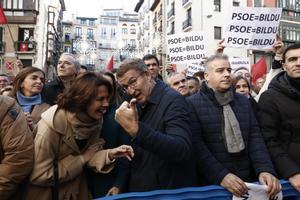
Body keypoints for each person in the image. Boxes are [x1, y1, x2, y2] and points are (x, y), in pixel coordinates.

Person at [25, 72, 134, 200]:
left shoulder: (95, 120)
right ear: (83, 99)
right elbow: (39, 175)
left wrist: (109, 154)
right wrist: (81, 159)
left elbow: (89, 155)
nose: (106, 104)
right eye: (100, 99)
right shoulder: (51, 126)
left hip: (77, 192)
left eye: (107, 98)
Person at [187, 54, 281, 198]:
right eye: (220, 70)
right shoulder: (191, 104)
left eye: (228, 70)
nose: (226, 74)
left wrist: (264, 169)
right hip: (213, 186)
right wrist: (221, 176)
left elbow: (255, 138)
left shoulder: (243, 101)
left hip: (247, 182)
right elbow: (197, 147)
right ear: (207, 76)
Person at [115, 58, 196, 192]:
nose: (130, 90)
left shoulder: (174, 100)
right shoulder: (133, 101)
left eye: (133, 82)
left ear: (147, 75)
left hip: (166, 191)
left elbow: (181, 149)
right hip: (142, 187)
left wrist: (137, 131)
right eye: (124, 87)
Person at [258, 42, 300, 192]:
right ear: (284, 65)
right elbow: (269, 140)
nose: (298, 63)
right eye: (293, 59)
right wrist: (292, 172)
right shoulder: (269, 98)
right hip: (292, 180)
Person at [86, 72, 130, 198]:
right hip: (82, 182)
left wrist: (119, 184)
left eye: (108, 88)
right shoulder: (81, 116)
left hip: (107, 182)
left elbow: (125, 153)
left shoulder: (118, 116)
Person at [0, 95, 34, 200]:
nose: (38, 82)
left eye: (41, 80)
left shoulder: (5, 105)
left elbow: (18, 157)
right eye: (33, 77)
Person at [10, 67, 49, 131]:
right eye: (34, 78)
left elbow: (47, 134)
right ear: (21, 83)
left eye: (42, 80)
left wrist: (32, 127)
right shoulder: (7, 103)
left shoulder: (47, 108)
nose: (39, 82)